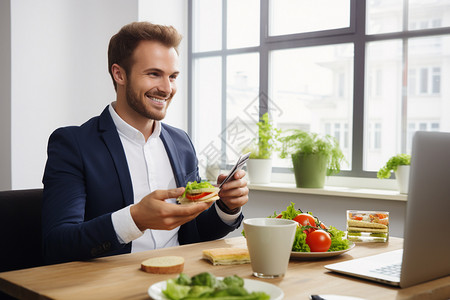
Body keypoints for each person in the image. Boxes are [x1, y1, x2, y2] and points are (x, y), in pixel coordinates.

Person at [42, 22, 249, 264]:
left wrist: (226, 207)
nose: (167, 88)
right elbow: (57, 243)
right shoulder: (73, 144)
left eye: (172, 76)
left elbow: (194, 233)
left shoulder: (181, 143)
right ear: (119, 74)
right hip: (111, 285)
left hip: (177, 280)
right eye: (154, 74)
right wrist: (135, 219)